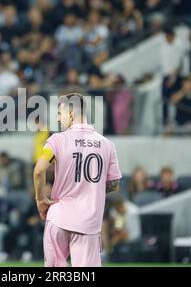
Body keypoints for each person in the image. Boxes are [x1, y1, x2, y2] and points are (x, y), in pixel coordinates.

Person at [33, 93, 122, 267]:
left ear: (71, 114)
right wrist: (90, 189)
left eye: (60, 113)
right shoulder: (107, 145)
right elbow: (114, 184)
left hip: (58, 218)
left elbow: (39, 171)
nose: (58, 118)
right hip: (88, 224)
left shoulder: (56, 141)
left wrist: (40, 199)